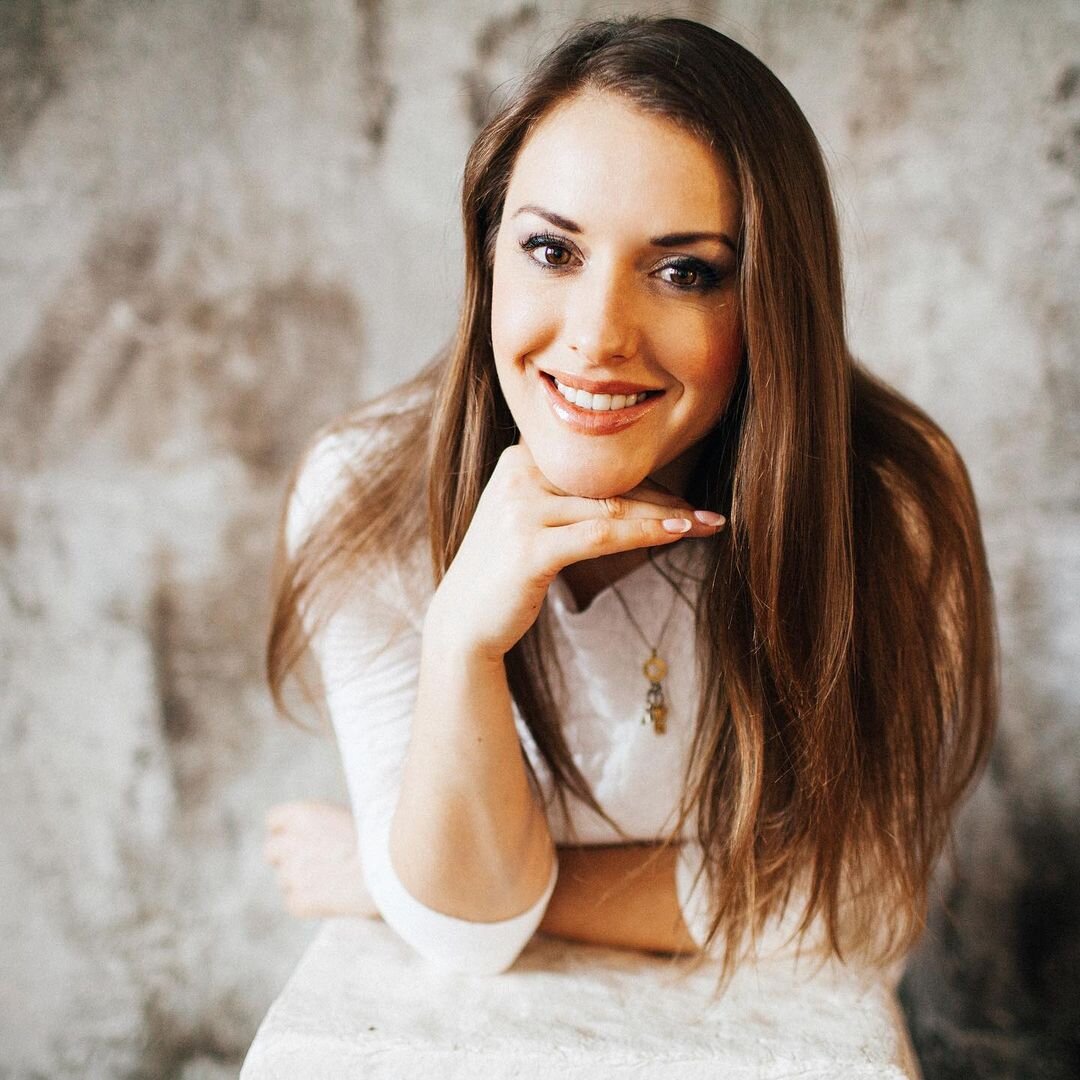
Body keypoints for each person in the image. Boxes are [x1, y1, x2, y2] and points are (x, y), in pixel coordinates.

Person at [263, 15, 997, 982]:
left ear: (769, 298)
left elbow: (858, 901)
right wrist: (462, 640)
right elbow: (465, 935)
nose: (599, 335)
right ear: (488, 255)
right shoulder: (364, 496)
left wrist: (385, 872)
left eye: (684, 272)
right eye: (552, 251)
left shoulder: (889, 502)